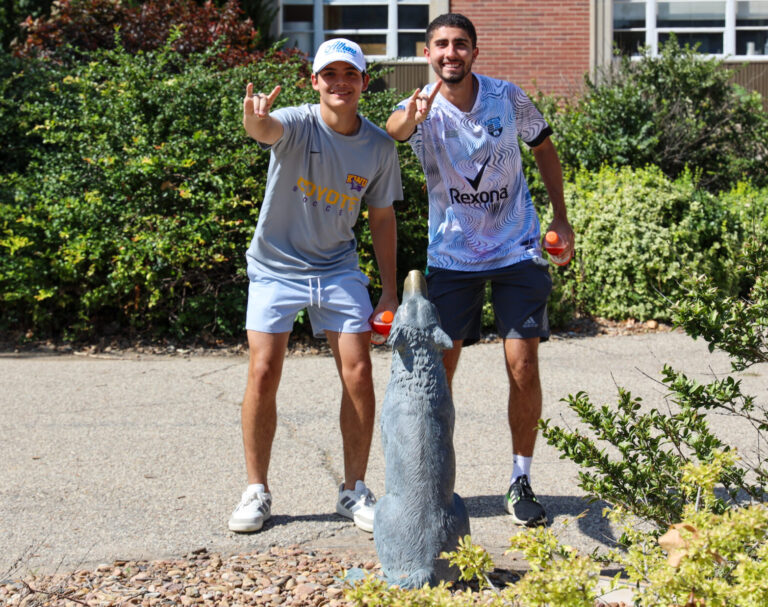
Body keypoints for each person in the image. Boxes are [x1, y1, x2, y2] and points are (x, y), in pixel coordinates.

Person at [386, 13, 574, 527]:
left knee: (523, 366)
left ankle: (520, 479)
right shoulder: (418, 106)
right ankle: (436, 483)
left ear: (474, 51)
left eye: (460, 44)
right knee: (438, 375)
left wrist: (560, 217)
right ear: (427, 53)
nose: (451, 53)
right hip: (451, 257)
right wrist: (414, 117)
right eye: (441, 45)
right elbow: (394, 131)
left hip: (517, 249)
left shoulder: (507, 97)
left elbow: (544, 149)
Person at [229, 38, 402, 534]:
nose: (340, 83)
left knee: (359, 372)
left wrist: (389, 291)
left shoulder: (378, 146)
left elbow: (382, 216)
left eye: (350, 75)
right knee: (263, 370)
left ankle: (354, 489)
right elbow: (264, 129)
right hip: (275, 266)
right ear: (315, 82)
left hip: (337, 268)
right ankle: (256, 491)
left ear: (364, 83)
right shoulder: (298, 121)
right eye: (330, 75)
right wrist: (253, 117)